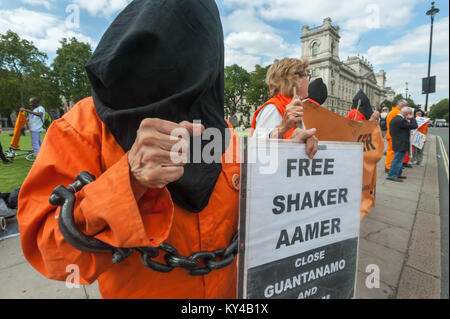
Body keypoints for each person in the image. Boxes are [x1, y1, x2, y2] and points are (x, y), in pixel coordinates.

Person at [17, 0, 318, 299]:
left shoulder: (220, 128)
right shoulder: (83, 128)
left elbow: (248, 186)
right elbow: (51, 253)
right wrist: (128, 181)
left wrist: (283, 155)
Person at [250, 58, 319, 157]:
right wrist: (282, 128)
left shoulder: (293, 106)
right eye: (307, 76)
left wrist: (305, 140)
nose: (309, 81)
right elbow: (256, 149)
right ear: (296, 79)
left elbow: (289, 143)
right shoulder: (273, 108)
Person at [386, 107, 417, 182]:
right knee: (397, 160)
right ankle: (392, 175)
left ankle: (397, 174)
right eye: (410, 114)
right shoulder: (401, 120)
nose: (411, 115)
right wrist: (412, 118)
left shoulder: (394, 119)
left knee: (399, 160)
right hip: (401, 143)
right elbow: (414, 126)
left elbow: (391, 132)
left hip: (397, 142)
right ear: (407, 114)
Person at [385, 99, 410, 173]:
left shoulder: (393, 111)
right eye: (406, 106)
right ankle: (389, 167)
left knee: (391, 151)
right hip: (395, 135)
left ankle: (389, 167)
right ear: (403, 106)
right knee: (392, 152)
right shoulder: (397, 113)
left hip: (391, 134)